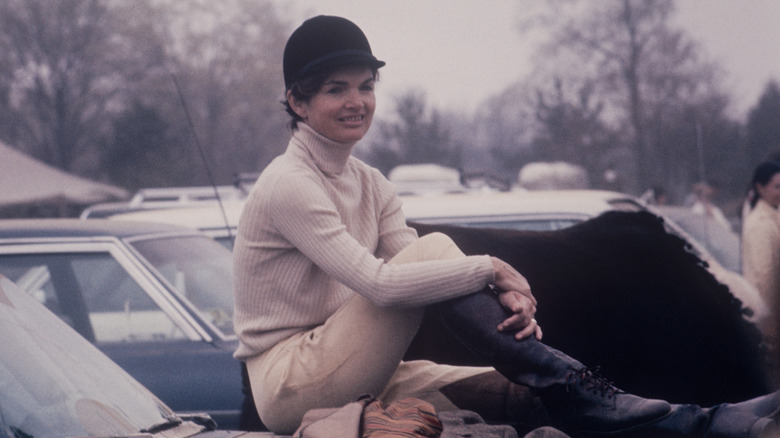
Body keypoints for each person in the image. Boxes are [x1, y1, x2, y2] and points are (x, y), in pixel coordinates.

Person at [233, 15, 780, 437]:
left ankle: (698, 421)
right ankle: (588, 386)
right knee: (438, 251)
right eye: (335, 88)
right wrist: (493, 269)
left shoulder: (372, 182)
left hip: (352, 364)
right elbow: (382, 283)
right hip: (289, 382)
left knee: (520, 392)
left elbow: (430, 282)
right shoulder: (289, 183)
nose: (357, 102)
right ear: (296, 101)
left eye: (366, 85)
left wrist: (491, 291)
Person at [742, 162, 780, 342]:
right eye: (777, 186)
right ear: (760, 188)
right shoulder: (759, 223)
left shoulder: (773, 217)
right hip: (769, 326)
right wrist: (771, 332)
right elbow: (764, 279)